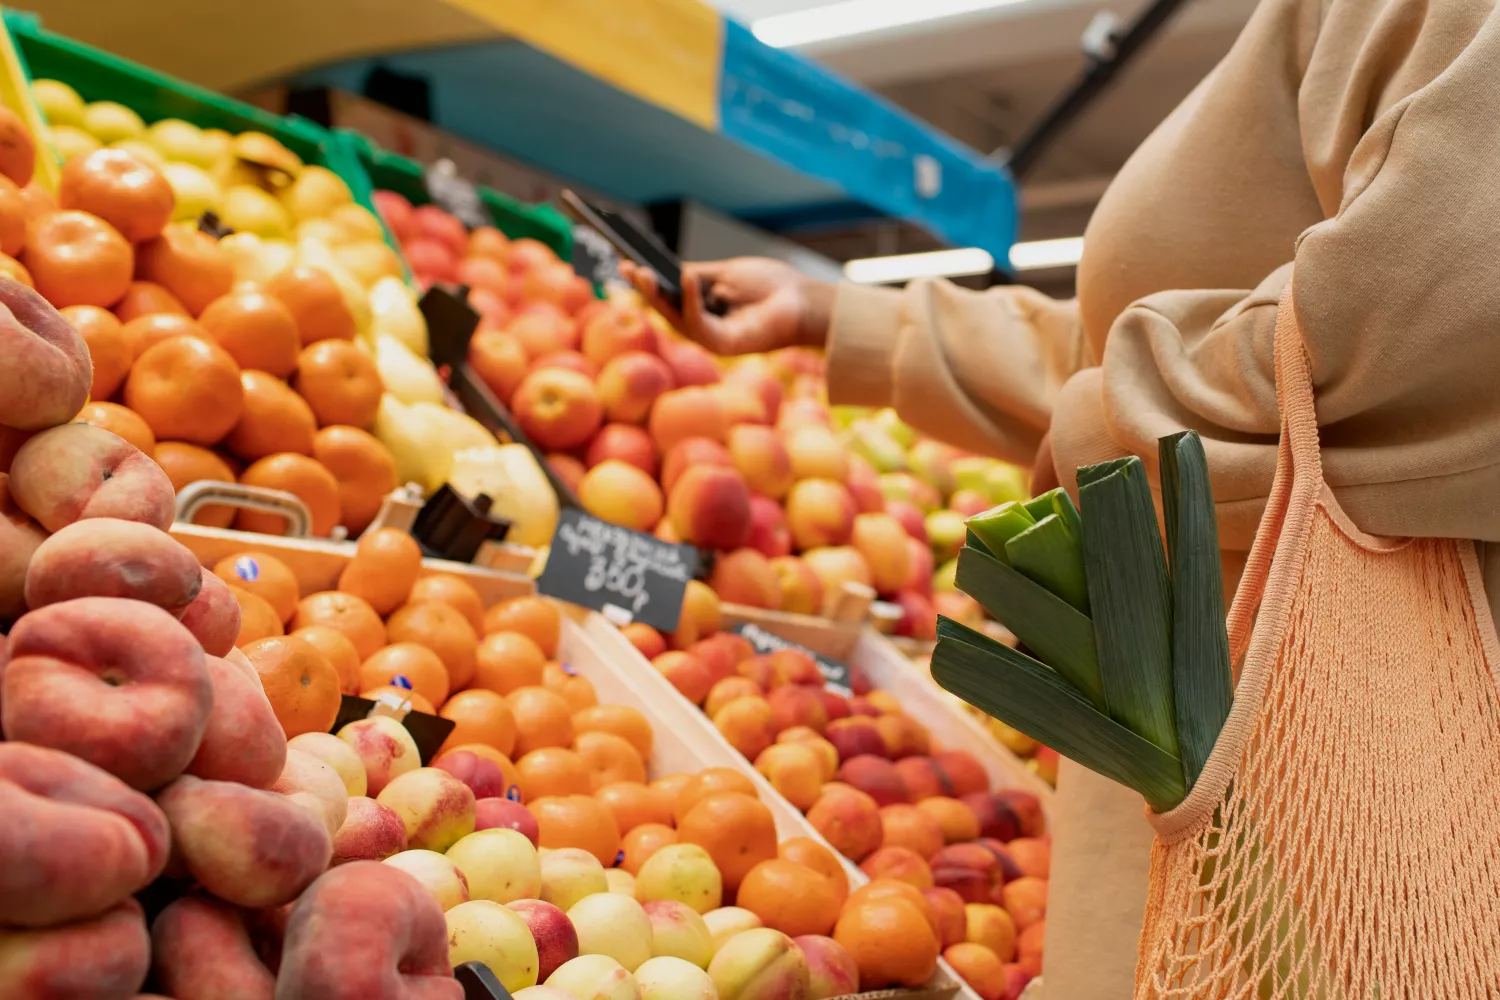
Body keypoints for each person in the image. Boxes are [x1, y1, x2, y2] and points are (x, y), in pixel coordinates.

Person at [625, 0, 1500, 993]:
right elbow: (1143, 350)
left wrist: (1109, 433)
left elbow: (1433, 341)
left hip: (1318, 805)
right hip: (1199, 783)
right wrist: (841, 316)